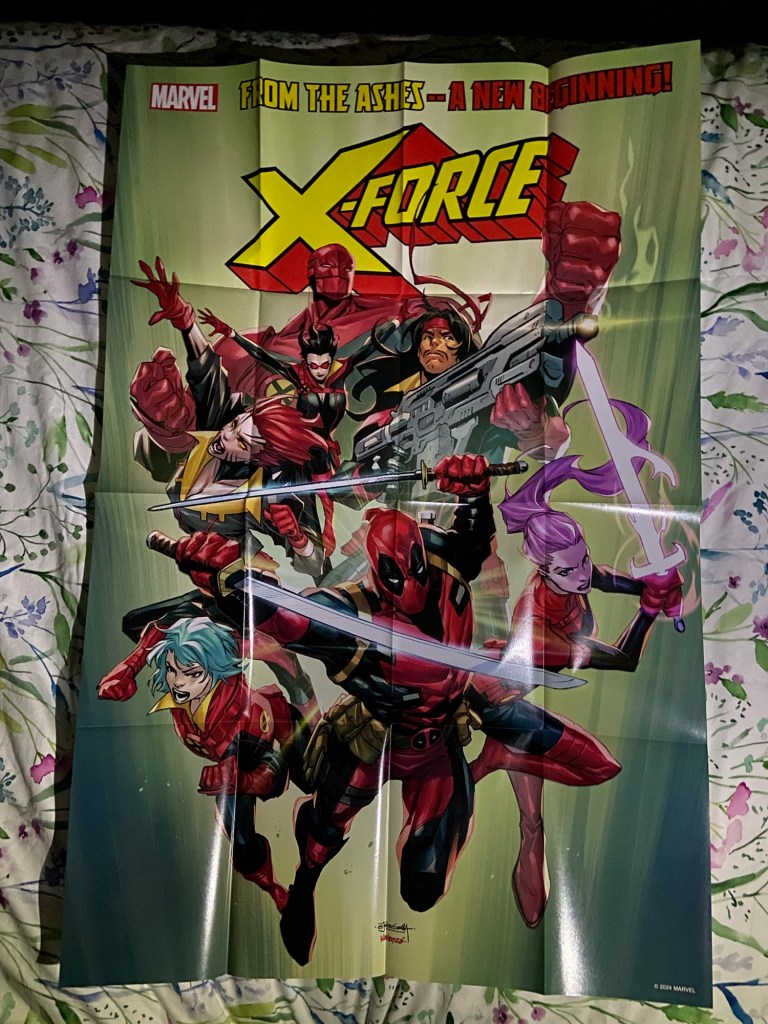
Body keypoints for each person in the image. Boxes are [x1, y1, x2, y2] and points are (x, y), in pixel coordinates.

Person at [168, 453, 496, 965]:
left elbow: (473, 540)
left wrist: (474, 492)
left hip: (437, 743)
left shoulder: (442, 557)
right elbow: (290, 620)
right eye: (393, 574)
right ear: (375, 573)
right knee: (324, 830)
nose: (409, 584)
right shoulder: (352, 611)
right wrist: (232, 585)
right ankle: (305, 882)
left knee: (423, 884)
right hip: (375, 737)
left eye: (413, 566)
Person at [467, 427, 684, 928]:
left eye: (583, 559)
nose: (583, 574)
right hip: (494, 703)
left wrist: (653, 583)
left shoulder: (572, 573)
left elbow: (606, 578)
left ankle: (504, 772)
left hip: (510, 698)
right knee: (598, 765)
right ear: (543, 570)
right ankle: (496, 755)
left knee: (532, 818)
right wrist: (650, 609)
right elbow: (623, 659)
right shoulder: (537, 625)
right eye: (569, 570)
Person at [139, 617, 311, 911]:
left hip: (274, 737)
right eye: (171, 670)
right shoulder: (179, 703)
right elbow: (154, 630)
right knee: (241, 846)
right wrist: (129, 667)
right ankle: (273, 889)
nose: (177, 682)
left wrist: (241, 780)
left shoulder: (235, 696)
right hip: (233, 768)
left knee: (311, 779)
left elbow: (271, 772)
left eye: (191, 673)